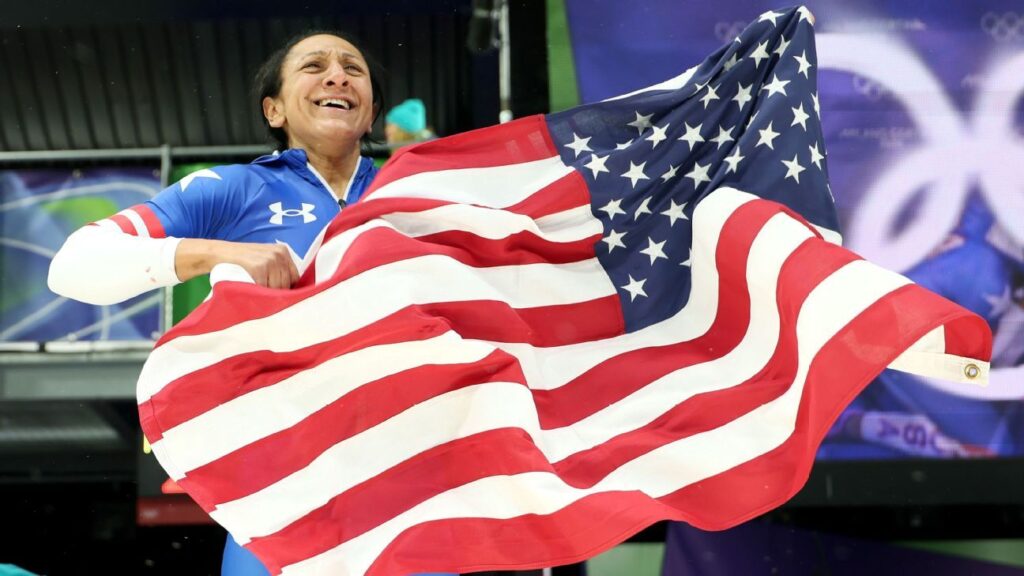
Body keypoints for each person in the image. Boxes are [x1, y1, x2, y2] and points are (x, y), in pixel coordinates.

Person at [47, 30, 385, 576]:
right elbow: (73, 265)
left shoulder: (412, 192)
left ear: (369, 116)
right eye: (314, 65)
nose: (337, 75)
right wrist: (219, 253)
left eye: (353, 67)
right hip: (280, 498)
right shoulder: (232, 190)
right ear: (273, 110)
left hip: (409, 493)